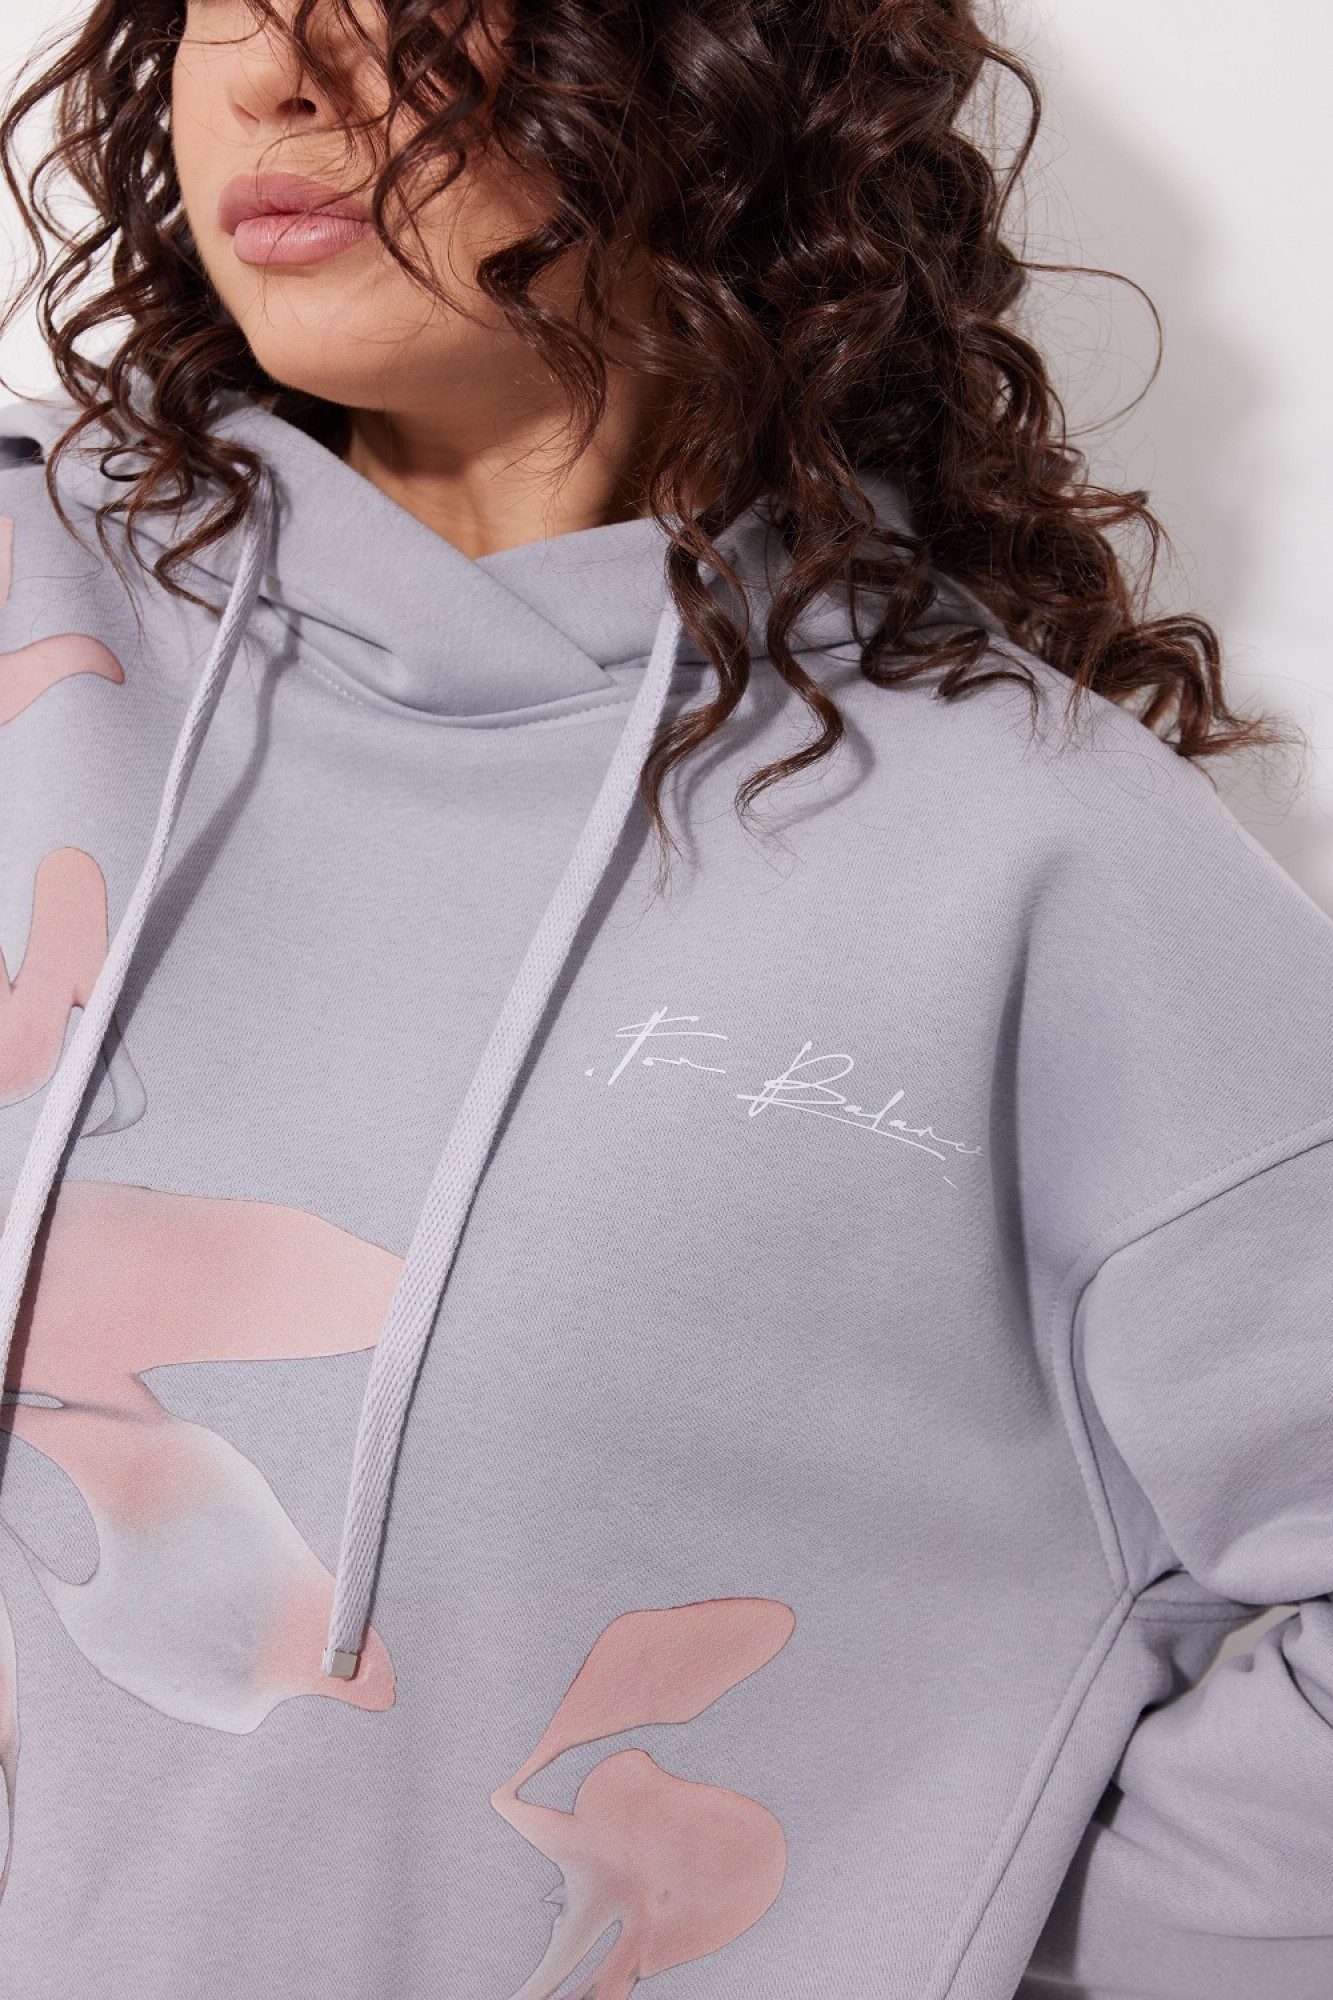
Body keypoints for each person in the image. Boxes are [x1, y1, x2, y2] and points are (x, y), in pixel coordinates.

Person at [0, 1, 1329, 1995]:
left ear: (705, 65)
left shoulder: (1025, 859)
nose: (275, 70)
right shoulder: (35, 616)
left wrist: (1006, 1934)